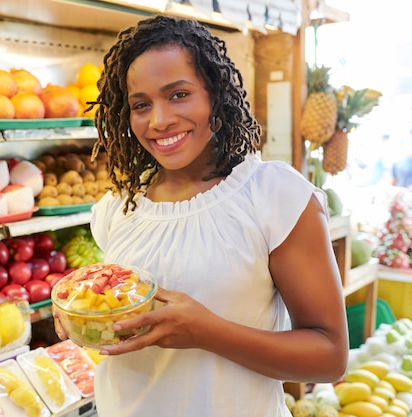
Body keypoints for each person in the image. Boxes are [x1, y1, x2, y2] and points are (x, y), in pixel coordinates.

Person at [54, 15, 349, 416]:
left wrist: (207, 332)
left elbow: (330, 357)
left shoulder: (273, 195)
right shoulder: (117, 210)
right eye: (141, 104)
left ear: (215, 95)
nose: (159, 120)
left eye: (178, 95)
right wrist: (85, 315)